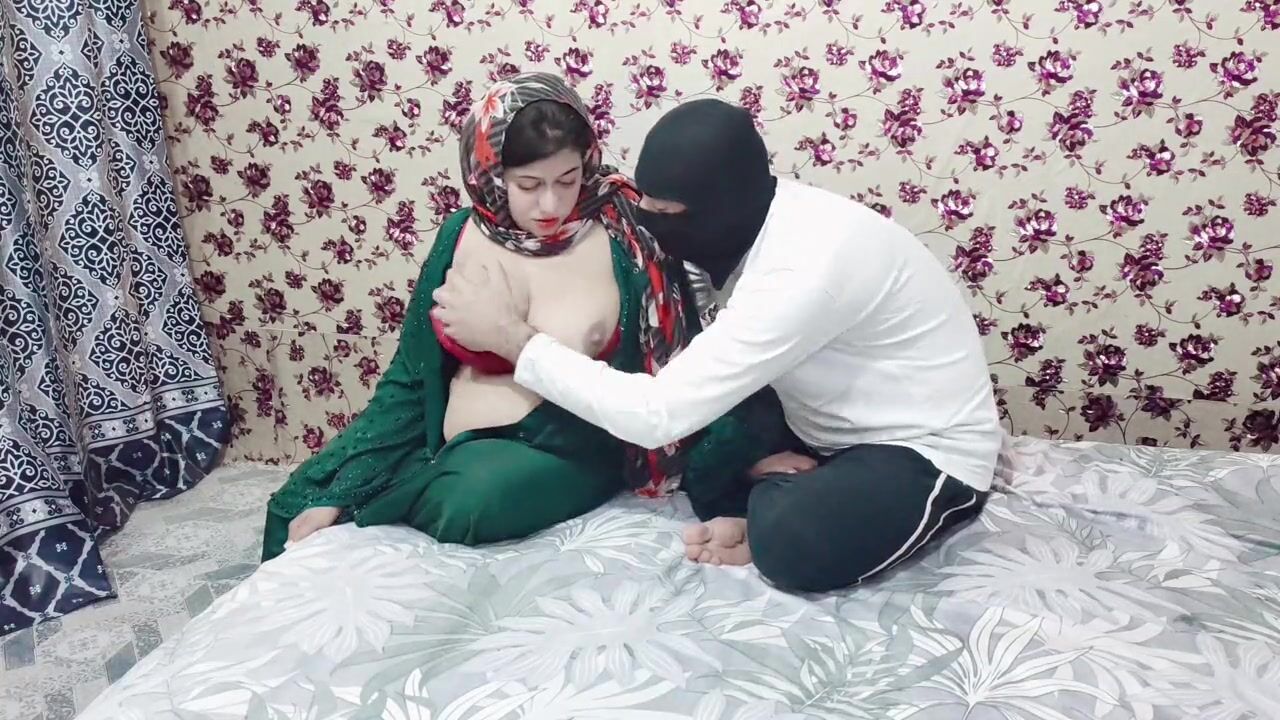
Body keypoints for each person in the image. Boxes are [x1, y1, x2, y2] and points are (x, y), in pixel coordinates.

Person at [431, 98, 1003, 593]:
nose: (651, 223)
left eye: (667, 213)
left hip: (919, 445)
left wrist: (513, 339)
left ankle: (781, 501)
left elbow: (655, 413)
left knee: (792, 542)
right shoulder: (751, 220)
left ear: (721, 206)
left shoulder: (804, 269)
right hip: (817, 423)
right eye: (647, 206)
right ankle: (783, 485)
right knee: (703, 471)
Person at [261, 76, 770, 561]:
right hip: (443, 444)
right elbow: (411, 378)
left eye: (567, 180)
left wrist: (742, 456)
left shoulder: (627, 237)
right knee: (296, 503)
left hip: (563, 450)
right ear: (491, 174)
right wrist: (348, 484)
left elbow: (692, 359)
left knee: (470, 500)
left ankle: (404, 493)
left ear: (587, 164)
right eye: (528, 185)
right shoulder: (460, 235)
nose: (550, 203)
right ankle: (393, 486)